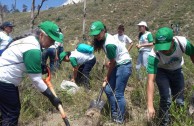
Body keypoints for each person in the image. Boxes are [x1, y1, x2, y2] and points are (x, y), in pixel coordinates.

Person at [0, 21, 63, 126]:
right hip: (4, 81)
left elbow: (20, 60)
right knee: (11, 114)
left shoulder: (29, 40)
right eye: (51, 39)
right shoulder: (33, 48)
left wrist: (40, 67)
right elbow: (36, 80)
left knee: (9, 112)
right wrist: (53, 98)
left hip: (5, 80)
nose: (53, 43)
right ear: (42, 35)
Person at [146, 27, 194, 126]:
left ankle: (178, 120)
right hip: (161, 72)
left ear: (173, 41)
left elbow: (193, 55)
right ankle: (164, 123)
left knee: (179, 99)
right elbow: (151, 80)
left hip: (177, 71)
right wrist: (150, 105)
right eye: (161, 47)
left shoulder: (183, 43)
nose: (163, 50)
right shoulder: (154, 55)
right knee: (166, 98)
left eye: (166, 46)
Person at [89, 21, 132, 124]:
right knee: (108, 90)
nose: (96, 36)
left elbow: (113, 62)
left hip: (124, 65)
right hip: (117, 63)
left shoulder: (109, 44)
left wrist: (107, 76)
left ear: (104, 31)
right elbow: (113, 60)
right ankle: (114, 113)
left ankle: (120, 119)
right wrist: (111, 63)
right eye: (94, 35)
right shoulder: (105, 38)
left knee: (118, 94)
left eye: (98, 34)